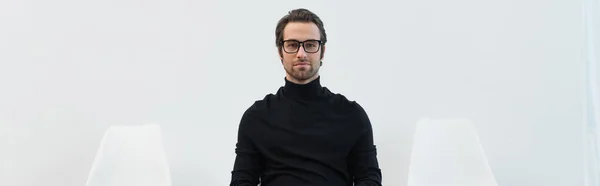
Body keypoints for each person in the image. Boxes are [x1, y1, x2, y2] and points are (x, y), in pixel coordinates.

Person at [229, 8, 382, 186]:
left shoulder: (352, 115)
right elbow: (241, 181)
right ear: (280, 52)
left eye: (310, 44)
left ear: (322, 51)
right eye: (292, 45)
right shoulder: (256, 117)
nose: (301, 54)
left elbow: (369, 179)